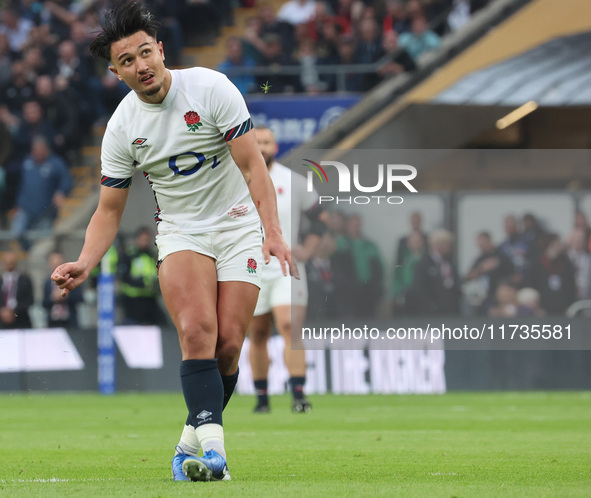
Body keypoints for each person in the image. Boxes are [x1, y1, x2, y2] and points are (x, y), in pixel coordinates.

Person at [51, 2, 295, 484]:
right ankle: (215, 454)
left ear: (160, 51)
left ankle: (188, 445)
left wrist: (274, 232)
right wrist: (84, 260)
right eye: (127, 61)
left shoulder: (211, 88)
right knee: (198, 331)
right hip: (182, 231)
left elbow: (253, 167)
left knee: (228, 345)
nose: (140, 66)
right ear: (116, 72)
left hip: (239, 223)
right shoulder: (122, 129)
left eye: (145, 53)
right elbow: (108, 209)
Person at [248, 127, 325, 414]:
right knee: (257, 334)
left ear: (275, 147)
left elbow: (319, 219)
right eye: (257, 143)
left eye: (267, 142)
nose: (262, 147)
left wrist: (308, 248)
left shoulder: (293, 181)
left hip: (286, 266)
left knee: (288, 327)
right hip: (250, 267)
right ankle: (262, 397)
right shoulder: (235, 181)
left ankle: (298, 394)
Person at [118, 226, 167, 325]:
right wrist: (142, 283)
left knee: (162, 322)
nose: (145, 242)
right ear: (137, 239)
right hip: (133, 299)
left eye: (147, 239)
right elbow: (124, 276)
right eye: (142, 239)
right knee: (133, 325)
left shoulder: (152, 255)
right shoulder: (129, 255)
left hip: (150, 298)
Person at [43, 251, 83, 328]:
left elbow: (79, 298)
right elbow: (44, 302)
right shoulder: (47, 282)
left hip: (70, 322)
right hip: (53, 322)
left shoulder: (72, 279)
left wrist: (66, 296)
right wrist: (53, 298)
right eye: (53, 261)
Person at [0, 251, 34, 330]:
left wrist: (13, 312)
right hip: (3, 323)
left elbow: (29, 300)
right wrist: (2, 312)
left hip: (21, 321)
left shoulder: (25, 280)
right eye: (7, 262)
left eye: (12, 262)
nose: (9, 265)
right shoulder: (1, 281)